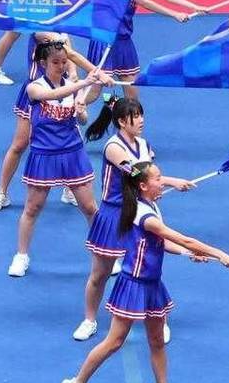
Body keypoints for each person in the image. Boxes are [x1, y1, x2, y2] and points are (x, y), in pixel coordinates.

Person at [61, 161, 229, 383]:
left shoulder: (151, 206)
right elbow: (181, 238)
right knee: (114, 341)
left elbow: (163, 243)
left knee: (156, 340)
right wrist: (219, 253)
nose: (162, 182)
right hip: (133, 284)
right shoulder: (144, 214)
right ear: (143, 186)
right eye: (158, 178)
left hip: (153, 284)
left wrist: (188, 253)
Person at [73, 97, 194, 343]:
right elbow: (138, 174)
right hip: (114, 214)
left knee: (150, 267)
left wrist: (158, 188)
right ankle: (89, 319)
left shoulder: (144, 145)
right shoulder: (113, 147)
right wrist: (172, 181)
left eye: (141, 115)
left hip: (139, 211)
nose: (141, 120)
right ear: (121, 121)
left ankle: (159, 321)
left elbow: (150, 178)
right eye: (135, 116)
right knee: (100, 273)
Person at [7, 41, 103, 277]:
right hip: (44, 154)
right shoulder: (34, 88)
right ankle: (21, 256)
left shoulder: (72, 87)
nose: (61, 66)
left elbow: (82, 121)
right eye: (55, 62)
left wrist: (81, 111)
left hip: (72, 153)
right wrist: (84, 83)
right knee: (32, 208)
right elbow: (51, 95)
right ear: (43, 63)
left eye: (64, 62)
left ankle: (103, 255)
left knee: (90, 207)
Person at [0, 33, 109, 214]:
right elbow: (71, 53)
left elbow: (69, 56)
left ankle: (70, 189)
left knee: (69, 137)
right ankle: (1, 193)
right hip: (38, 93)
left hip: (63, 90)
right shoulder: (40, 29)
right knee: (19, 144)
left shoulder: (63, 30)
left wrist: (73, 74)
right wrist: (99, 74)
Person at [86, 0, 208, 100]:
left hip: (124, 40)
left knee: (132, 97)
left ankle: (125, 115)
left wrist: (194, 6)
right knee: (94, 91)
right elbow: (145, 3)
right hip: (105, 39)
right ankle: (74, 105)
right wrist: (175, 14)